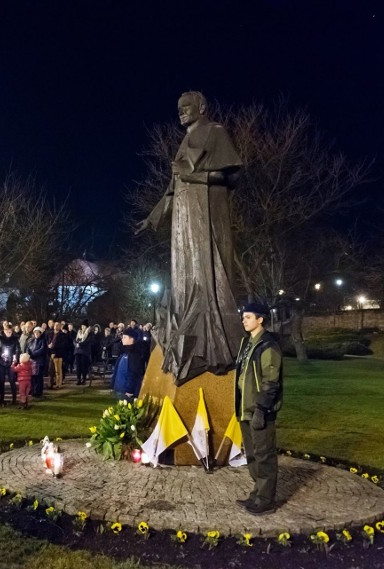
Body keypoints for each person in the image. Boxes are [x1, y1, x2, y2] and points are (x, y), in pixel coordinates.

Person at [137, 90, 243, 385]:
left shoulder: (215, 132)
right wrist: (153, 218)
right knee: (183, 276)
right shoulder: (186, 139)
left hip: (207, 213)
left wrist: (195, 176)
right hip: (183, 219)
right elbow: (171, 189)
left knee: (207, 274)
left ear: (202, 107)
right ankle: (185, 333)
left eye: (187, 107)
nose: (181, 111)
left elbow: (230, 177)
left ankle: (213, 343)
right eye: (179, 108)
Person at [234, 303, 284, 516]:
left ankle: (266, 500)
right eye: (243, 317)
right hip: (245, 409)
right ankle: (257, 494)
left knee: (264, 456)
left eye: (248, 317)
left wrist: (262, 410)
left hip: (259, 411)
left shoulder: (267, 345)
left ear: (260, 319)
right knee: (253, 455)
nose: (244, 321)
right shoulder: (248, 343)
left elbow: (270, 382)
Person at [111, 329, 143, 402]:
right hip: (119, 388)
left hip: (126, 391)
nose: (122, 339)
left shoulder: (134, 354)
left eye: (125, 337)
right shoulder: (125, 352)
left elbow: (133, 373)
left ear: (131, 339)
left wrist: (130, 390)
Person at [0, 322, 20, 405]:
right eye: (8, 332)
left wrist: (15, 357)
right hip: (1, 362)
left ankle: (14, 399)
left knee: (12, 380)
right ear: (4, 331)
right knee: (1, 380)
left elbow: (18, 349)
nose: (9, 333)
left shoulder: (15, 339)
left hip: (11, 362)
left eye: (10, 332)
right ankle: (1, 398)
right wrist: (1, 354)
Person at [26, 326, 48, 398]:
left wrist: (33, 354)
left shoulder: (43, 341)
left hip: (39, 361)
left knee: (38, 378)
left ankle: (38, 392)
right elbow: (28, 348)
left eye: (38, 332)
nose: (36, 334)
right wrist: (28, 354)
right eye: (35, 332)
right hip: (32, 361)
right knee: (32, 377)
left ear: (40, 333)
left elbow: (42, 350)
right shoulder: (31, 340)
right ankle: (33, 390)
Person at [47, 322, 70, 389]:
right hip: (51, 354)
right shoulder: (50, 334)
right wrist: (48, 346)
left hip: (58, 354)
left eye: (58, 325)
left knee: (58, 371)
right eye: (55, 325)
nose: (56, 326)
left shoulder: (63, 335)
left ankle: (58, 384)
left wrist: (53, 346)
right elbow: (48, 341)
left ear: (60, 327)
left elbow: (64, 345)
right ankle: (50, 384)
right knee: (50, 371)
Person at [74, 320, 92, 385]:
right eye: (82, 326)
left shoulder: (89, 333)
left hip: (84, 352)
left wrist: (80, 344)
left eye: (84, 326)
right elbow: (75, 340)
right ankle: (78, 379)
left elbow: (88, 341)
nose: (83, 327)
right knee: (78, 366)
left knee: (84, 366)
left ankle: (84, 379)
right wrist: (76, 344)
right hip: (77, 352)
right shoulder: (78, 332)